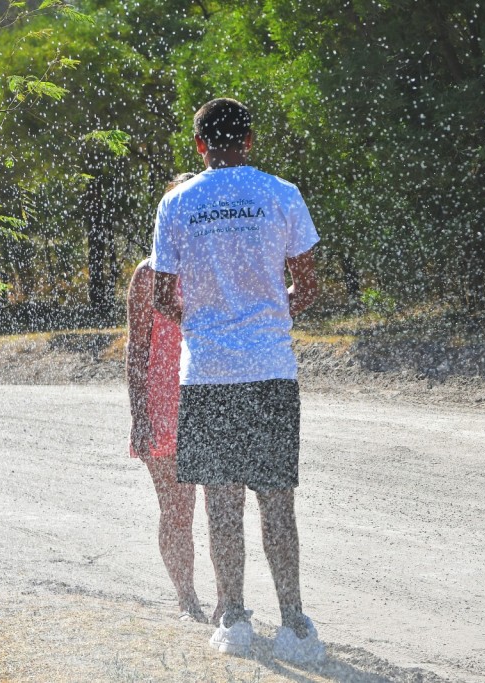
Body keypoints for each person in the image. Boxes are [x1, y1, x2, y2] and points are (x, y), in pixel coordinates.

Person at [149, 97, 323, 664]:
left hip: (208, 374)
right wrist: (269, 314)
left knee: (222, 506)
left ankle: (234, 618)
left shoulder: (177, 202)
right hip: (271, 369)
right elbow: (310, 286)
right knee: (278, 503)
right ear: (249, 140)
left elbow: (160, 297)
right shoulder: (281, 193)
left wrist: (206, 322)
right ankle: (295, 624)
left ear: (200, 145)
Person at [127, 171, 222, 625]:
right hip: (163, 405)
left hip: (211, 397)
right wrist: (138, 415)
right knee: (177, 510)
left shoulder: (218, 263)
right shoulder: (148, 274)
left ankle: (229, 602)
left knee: (222, 509)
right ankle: (188, 599)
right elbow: (136, 348)